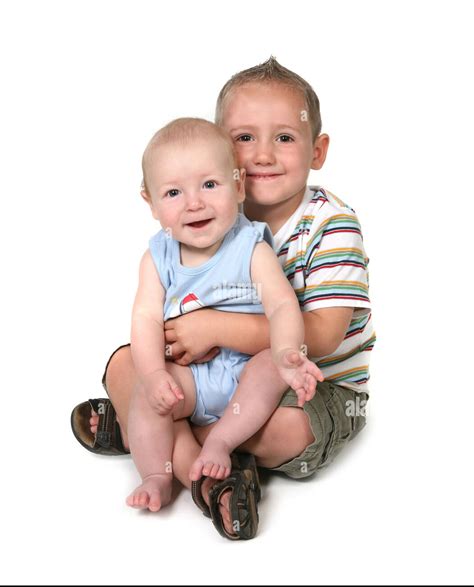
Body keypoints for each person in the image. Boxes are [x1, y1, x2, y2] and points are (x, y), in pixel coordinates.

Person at [71, 56, 375, 540]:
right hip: (210, 378)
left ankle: (154, 439)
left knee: (287, 431)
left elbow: (320, 335)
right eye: (244, 138)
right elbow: (152, 313)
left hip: (306, 384)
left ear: (317, 150)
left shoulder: (330, 225)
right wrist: (159, 366)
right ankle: (214, 475)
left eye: (285, 137)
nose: (262, 155)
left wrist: (215, 328)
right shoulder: (207, 212)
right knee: (125, 366)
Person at [125, 117, 323, 514]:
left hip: (244, 372)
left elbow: (283, 304)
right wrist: (154, 375)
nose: (194, 202)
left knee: (268, 365)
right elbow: (145, 318)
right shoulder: (157, 257)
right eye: (174, 192)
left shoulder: (250, 247)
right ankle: (158, 475)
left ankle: (220, 441)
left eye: (209, 185)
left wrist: (286, 352)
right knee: (145, 396)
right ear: (151, 203)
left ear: (237, 186)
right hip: (190, 378)